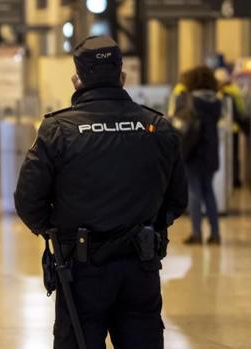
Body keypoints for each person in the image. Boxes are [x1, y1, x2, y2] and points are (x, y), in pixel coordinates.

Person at [14, 36, 188, 348]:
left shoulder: (58, 130)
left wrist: (57, 232)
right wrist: (148, 228)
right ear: (123, 77)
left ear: (76, 79)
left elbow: (28, 201)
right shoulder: (156, 126)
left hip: (81, 271)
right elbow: (177, 199)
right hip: (141, 266)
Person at [176, 66, 222, 245]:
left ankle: (196, 233)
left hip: (192, 151)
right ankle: (215, 233)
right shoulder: (216, 102)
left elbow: (180, 123)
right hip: (211, 152)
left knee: (194, 192)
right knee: (209, 191)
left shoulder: (188, 100)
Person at [216, 67, 249, 188]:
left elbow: (227, 112)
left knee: (230, 157)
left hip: (230, 128)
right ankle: (236, 180)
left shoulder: (225, 92)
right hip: (235, 127)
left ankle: (233, 180)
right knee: (234, 156)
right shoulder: (235, 89)